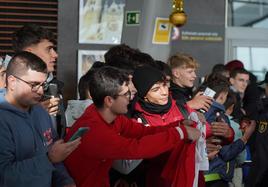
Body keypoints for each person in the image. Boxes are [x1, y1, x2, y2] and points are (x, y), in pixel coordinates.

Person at [64, 66, 201, 187]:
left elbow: (142, 131)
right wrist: (180, 133)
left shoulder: (111, 117)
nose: (130, 98)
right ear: (109, 100)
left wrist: (177, 125)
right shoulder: (94, 130)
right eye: (126, 95)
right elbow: (135, 149)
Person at [0, 52, 80, 187]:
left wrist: (65, 181)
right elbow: (4, 176)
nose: (41, 91)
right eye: (34, 84)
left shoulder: (40, 112)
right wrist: (48, 159)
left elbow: (54, 153)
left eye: (43, 85)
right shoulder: (2, 119)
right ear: (12, 82)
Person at [13, 23, 65, 137]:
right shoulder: (5, 88)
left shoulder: (54, 86)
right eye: (49, 49)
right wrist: (36, 113)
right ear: (29, 53)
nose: (55, 55)